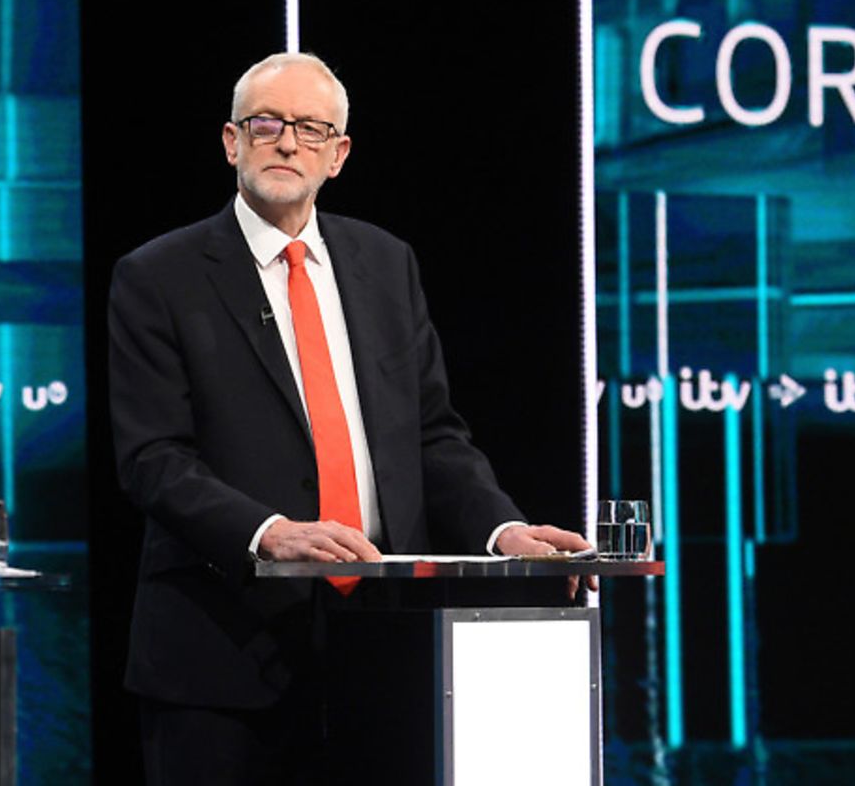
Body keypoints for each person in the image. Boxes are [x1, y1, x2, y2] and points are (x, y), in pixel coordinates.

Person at [109, 51, 592, 783]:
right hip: (220, 658)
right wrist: (270, 534)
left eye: (310, 128)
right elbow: (153, 458)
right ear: (231, 142)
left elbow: (431, 434)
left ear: (338, 155)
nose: (287, 141)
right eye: (266, 122)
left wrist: (502, 529)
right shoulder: (158, 276)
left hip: (384, 647)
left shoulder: (386, 262)